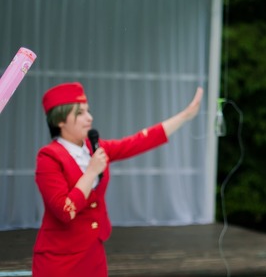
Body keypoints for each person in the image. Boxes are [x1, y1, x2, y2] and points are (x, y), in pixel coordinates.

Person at [32, 81, 204, 277]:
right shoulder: (48, 157)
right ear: (60, 120)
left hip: (93, 254)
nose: (90, 118)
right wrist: (90, 173)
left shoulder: (94, 148)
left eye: (88, 111)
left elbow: (139, 141)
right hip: (60, 260)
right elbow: (65, 211)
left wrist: (185, 115)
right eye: (80, 113)